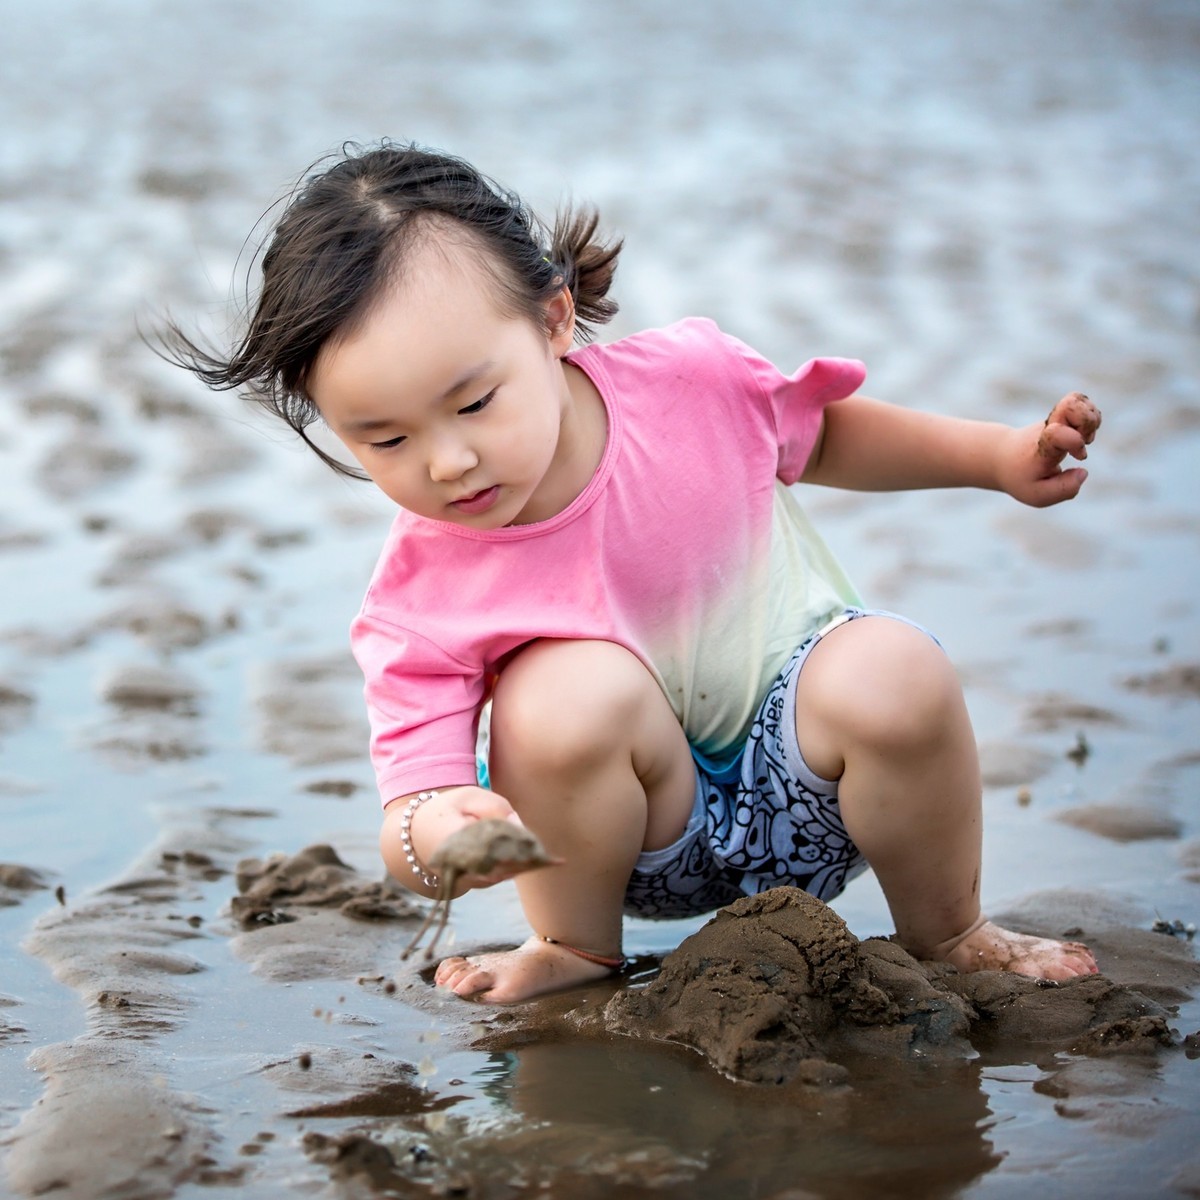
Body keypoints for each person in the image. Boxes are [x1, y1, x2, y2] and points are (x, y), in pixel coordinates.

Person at [161, 140, 1101, 1004]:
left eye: (475, 403)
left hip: (820, 786)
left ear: (553, 320)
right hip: (638, 846)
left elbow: (823, 436)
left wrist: (995, 458)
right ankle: (572, 949)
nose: (449, 462)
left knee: (894, 665)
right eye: (387, 440)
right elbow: (409, 812)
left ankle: (950, 930)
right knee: (562, 691)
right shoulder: (422, 597)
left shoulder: (690, 383)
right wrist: (443, 832)